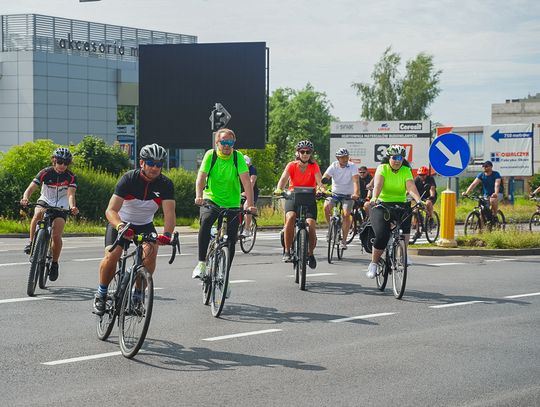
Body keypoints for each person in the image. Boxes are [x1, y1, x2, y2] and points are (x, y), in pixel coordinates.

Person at [93, 143, 176, 315]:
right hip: (122, 223)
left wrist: (167, 234)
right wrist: (120, 226)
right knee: (112, 255)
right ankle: (101, 294)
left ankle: (138, 295)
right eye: (151, 163)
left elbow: (169, 213)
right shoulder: (129, 179)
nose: (155, 168)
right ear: (142, 163)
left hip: (145, 224)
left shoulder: (165, 184)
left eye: (159, 164)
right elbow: (111, 210)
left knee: (151, 252)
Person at [192, 128, 257, 281]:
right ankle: (201, 263)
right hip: (211, 199)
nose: (227, 145)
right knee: (206, 222)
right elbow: (201, 178)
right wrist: (199, 196)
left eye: (230, 142)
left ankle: (225, 274)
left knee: (231, 239)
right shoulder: (211, 155)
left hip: (232, 202)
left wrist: (250, 205)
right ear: (217, 143)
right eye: (223, 142)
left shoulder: (237, 157)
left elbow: (246, 182)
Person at [20, 147, 79, 282]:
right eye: (59, 162)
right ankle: (31, 243)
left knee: (56, 235)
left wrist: (72, 207)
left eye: (65, 163)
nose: (62, 165)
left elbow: (71, 194)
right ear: (54, 161)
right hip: (46, 200)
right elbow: (30, 188)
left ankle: (54, 263)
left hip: (62, 204)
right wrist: (25, 198)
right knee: (37, 214)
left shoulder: (71, 176)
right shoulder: (45, 172)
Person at [366, 145, 423, 279]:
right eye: (395, 157)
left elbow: (410, 186)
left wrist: (418, 200)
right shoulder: (382, 168)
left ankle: (403, 255)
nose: (397, 161)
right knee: (382, 235)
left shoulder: (406, 170)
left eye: (400, 158)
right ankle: (373, 263)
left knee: (405, 228)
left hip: (400, 203)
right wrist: (374, 197)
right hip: (382, 204)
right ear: (389, 158)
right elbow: (378, 184)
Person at [275, 140, 326, 268]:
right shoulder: (291, 165)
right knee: (291, 217)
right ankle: (287, 251)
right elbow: (283, 179)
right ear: (298, 153)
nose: (305, 154)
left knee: (311, 225)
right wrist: (279, 189)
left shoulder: (314, 166)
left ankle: (310, 254)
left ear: (311, 153)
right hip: (293, 196)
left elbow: (320, 182)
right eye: (302, 151)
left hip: (309, 198)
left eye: (308, 152)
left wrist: (322, 190)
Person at [322, 148, 360, 250]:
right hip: (335, 194)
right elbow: (325, 177)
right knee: (326, 207)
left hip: (348, 195)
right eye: (342, 157)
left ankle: (343, 241)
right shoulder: (334, 166)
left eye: (346, 157)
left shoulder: (352, 166)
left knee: (346, 214)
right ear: (338, 158)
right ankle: (331, 228)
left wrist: (356, 193)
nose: (345, 159)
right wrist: (322, 187)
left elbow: (355, 181)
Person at [240, 154, 258, 237]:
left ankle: (247, 229)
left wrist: (246, 192)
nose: (245, 166)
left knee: (247, 207)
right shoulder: (237, 168)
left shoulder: (252, 169)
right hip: (239, 192)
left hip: (251, 192)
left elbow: (251, 182)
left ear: (249, 163)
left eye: (246, 164)